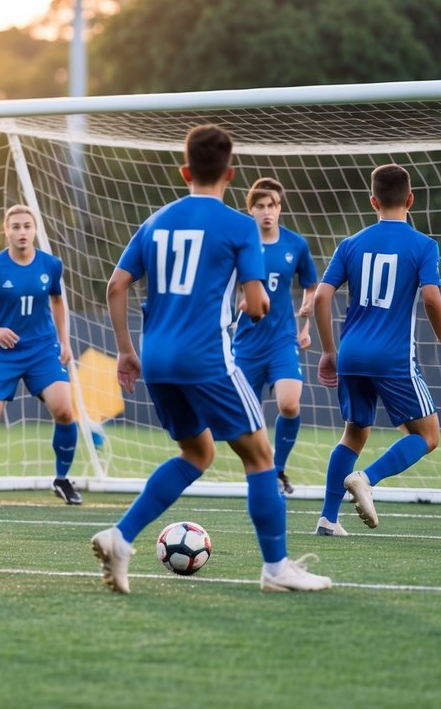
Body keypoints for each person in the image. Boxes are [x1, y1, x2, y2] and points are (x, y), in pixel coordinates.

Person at [92, 124, 331, 594]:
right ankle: (276, 567)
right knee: (261, 456)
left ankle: (120, 537)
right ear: (230, 173)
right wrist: (252, 301)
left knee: (197, 452)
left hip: (157, 361)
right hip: (207, 360)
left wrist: (125, 351)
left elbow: (115, 286)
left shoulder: (155, 221)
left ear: (185, 171)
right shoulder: (241, 226)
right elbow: (259, 304)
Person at [311, 164, 441, 536]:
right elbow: (431, 297)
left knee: (354, 434)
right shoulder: (423, 245)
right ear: (410, 199)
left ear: (373, 200)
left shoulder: (351, 244)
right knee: (427, 436)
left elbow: (322, 298)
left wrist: (329, 351)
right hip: (392, 357)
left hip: (352, 354)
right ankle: (366, 479)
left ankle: (328, 519)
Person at [0, 204, 80, 506]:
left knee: (65, 411)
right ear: (6, 231)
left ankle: (62, 480)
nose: (22, 231)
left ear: (35, 229)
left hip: (42, 349)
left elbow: (57, 301)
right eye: (15, 226)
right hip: (3, 353)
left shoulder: (51, 265)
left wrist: (64, 342)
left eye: (27, 226)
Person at [232, 177, 318, 495]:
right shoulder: (240, 244)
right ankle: (263, 468)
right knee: (244, 420)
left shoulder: (295, 244)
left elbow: (311, 285)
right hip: (246, 343)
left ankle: (277, 469)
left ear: (280, 208)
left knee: (290, 404)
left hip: (282, 339)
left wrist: (306, 322)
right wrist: (234, 307)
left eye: (272, 206)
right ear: (250, 210)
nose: (267, 212)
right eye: (260, 206)